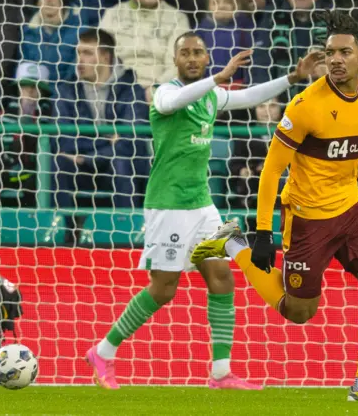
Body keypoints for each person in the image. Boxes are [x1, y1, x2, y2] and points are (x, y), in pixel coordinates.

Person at [85, 31, 323, 390]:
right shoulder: (164, 93)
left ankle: (221, 372)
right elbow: (171, 104)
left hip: (202, 206)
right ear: (176, 59)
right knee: (164, 289)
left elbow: (246, 97)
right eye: (186, 53)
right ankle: (103, 352)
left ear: (206, 58)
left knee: (222, 278)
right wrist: (219, 77)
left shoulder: (211, 95)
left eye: (199, 52)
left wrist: (292, 77)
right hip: (169, 205)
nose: (193, 58)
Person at [191, 11, 358, 402]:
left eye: (344, 51)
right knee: (299, 312)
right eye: (330, 53)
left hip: (352, 210)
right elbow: (271, 171)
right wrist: (261, 231)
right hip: (307, 217)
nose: (336, 59)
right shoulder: (305, 106)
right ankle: (233, 243)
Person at [53, 29, 149, 213]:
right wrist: (108, 139)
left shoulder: (131, 90)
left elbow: (130, 142)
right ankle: (63, 231)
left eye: (88, 53)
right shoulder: (66, 90)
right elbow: (63, 140)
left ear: (105, 57)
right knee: (58, 163)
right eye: (79, 53)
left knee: (121, 160)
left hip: (114, 166)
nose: (80, 60)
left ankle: (126, 230)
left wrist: (88, 157)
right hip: (80, 168)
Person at [0, 62, 53, 243]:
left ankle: (35, 237)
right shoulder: (2, 115)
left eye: (35, 88)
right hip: (4, 170)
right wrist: (3, 166)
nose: (29, 93)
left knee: (37, 184)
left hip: (32, 172)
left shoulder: (48, 116)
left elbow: (43, 150)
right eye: (25, 87)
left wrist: (28, 125)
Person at [99, 0, 191, 103]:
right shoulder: (112, 15)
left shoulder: (178, 19)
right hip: (117, 90)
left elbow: (177, 65)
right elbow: (101, 57)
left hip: (159, 92)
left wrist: (157, 87)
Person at [21, 0, 92, 85]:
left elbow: (73, 78)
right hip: (36, 94)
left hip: (66, 96)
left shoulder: (80, 31)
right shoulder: (28, 33)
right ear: (37, 2)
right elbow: (24, 75)